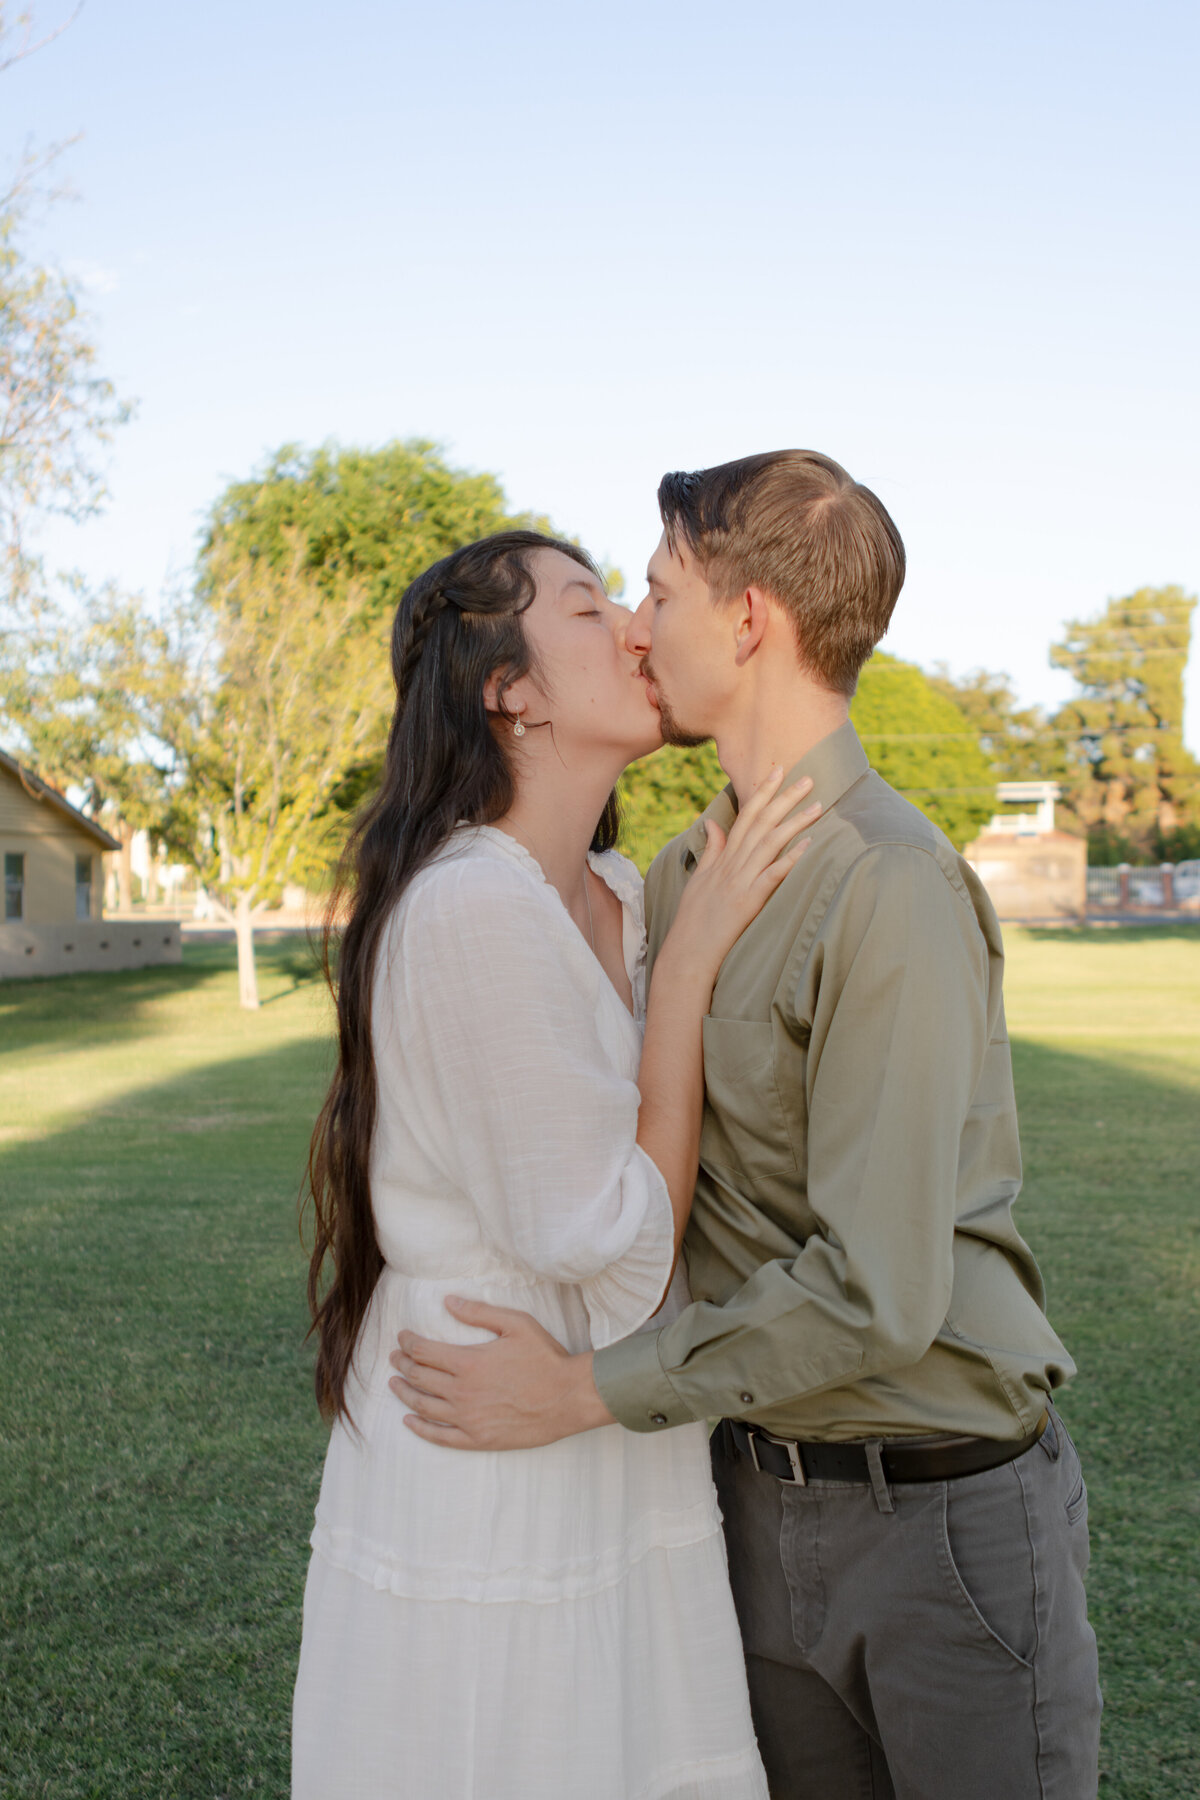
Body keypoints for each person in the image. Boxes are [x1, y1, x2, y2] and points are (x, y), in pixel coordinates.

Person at [389, 454, 1104, 1799]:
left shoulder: (889, 883)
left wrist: (580, 1391)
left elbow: (879, 1292)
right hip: (751, 1509)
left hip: (941, 1520)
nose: (638, 626)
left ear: (751, 619)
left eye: (655, 588)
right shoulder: (666, 879)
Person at [292, 527, 824, 1799]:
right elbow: (604, 1248)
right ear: (506, 690)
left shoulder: (614, 893)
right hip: (492, 1430)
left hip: (601, 1426)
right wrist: (690, 973)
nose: (635, 631)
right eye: (590, 611)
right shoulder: (472, 905)